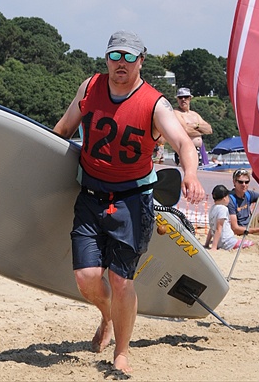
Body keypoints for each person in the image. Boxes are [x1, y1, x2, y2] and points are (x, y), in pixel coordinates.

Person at [53, 30, 204, 375]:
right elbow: (63, 129)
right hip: (91, 196)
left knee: (121, 280)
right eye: (115, 56)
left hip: (132, 202)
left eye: (129, 57)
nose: (120, 63)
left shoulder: (155, 104)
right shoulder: (89, 88)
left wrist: (191, 175)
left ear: (141, 61)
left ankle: (121, 351)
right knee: (87, 277)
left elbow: (184, 143)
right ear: (106, 58)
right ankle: (108, 316)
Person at [204, 184, 254, 251]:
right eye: (228, 196)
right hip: (228, 241)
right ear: (224, 198)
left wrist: (207, 244)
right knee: (251, 244)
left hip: (220, 243)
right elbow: (219, 228)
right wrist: (214, 247)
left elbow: (212, 228)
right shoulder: (223, 209)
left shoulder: (212, 208)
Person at [173, 87, 213, 165]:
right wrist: (201, 131)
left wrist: (196, 125)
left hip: (198, 150)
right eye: (180, 97)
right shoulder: (176, 113)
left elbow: (209, 129)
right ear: (177, 99)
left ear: (190, 98)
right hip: (185, 149)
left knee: (199, 171)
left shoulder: (194, 115)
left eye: (186, 97)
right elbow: (185, 130)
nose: (183, 99)